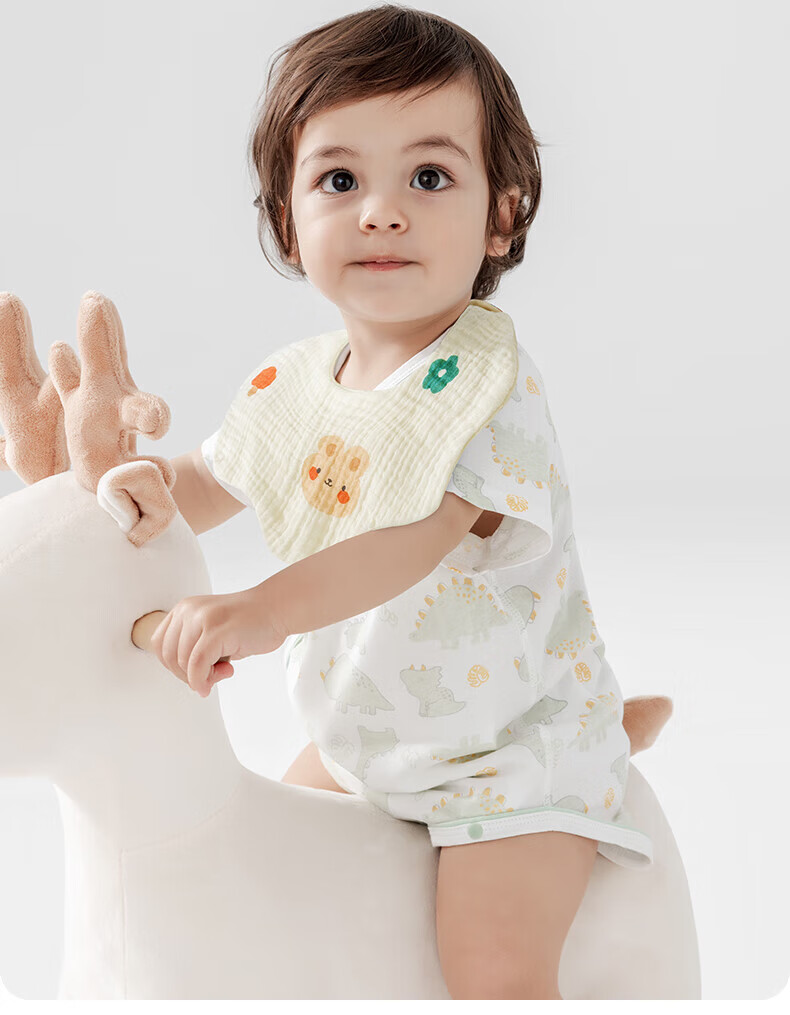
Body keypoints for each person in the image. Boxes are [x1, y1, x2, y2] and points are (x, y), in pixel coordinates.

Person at [150, 4, 654, 1000]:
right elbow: (204, 484)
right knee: (260, 882)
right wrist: (123, 497)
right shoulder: (295, 386)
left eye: (428, 177)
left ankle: (597, 747)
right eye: (341, 180)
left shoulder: (485, 389)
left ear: (501, 214)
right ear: (288, 219)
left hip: (506, 752)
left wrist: (260, 609)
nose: (381, 212)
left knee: (491, 964)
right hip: (365, 738)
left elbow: (410, 538)